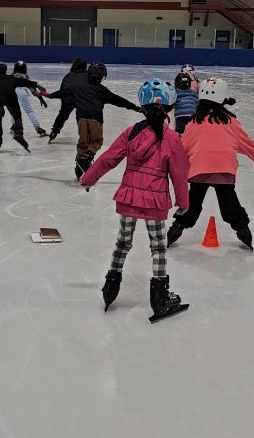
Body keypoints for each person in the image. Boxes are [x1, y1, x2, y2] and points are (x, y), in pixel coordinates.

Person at [80, 79, 190, 323]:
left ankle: (111, 286)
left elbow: (109, 158)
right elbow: (180, 173)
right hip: (154, 201)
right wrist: (183, 201)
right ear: (170, 108)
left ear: (142, 107)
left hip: (129, 197)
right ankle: (160, 297)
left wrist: (89, 178)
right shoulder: (171, 138)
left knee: (123, 242)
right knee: (158, 247)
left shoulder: (131, 133)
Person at [166, 76, 254, 251]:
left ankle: (175, 229)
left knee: (190, 205)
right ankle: (244, 231)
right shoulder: (230, 121)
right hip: (224, 172)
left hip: (199, 172)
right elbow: (249, 146)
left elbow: (182, 149)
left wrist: (167, 166)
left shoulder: (194, 121)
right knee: (230, 206)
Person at [0, 62, 46, 153]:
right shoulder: (11, 78)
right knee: (17, 116)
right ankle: (18, 132)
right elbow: (26, 82)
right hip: (10, 97)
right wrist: (39, 86)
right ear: (6, 70)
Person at [47, 57, 87, 143]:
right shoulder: (88, 76)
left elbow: (62, 89)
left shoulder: (68, 75)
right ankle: (86, 135)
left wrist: (64, 103)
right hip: (82, 99)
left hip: (68, 99)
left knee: (62, 115)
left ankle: (54, 132)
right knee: (83, 117)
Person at [10, 60, 48, 137]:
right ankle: (37, 127)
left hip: (12, 92)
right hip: (22, 92)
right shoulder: (25, 77)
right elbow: (32, 89)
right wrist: (40, 97)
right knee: (29, 111)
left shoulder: (11, 76)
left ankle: (14, 127)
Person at [174, 70, 199, 135]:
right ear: (190, 85)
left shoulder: (176, 94)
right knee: (192, 134)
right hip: (193, 115)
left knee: (180, 134)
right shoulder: (194, 94)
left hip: (180, 116)